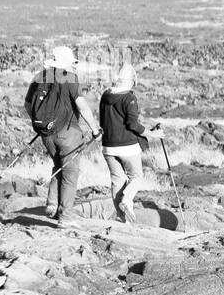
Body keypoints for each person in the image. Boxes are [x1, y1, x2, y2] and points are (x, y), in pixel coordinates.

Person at [24, 45, 101, 225]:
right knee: (70, 172)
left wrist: (42, 124)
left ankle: (52, 203)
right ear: (67, 62)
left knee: (58, 165)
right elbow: (81, 106)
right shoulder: (70, 78)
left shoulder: (39, 77)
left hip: (46, 134)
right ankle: (65, 216)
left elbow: (28, 106)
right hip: (68, 133)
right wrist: (95, 129)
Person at [99, 63, 163, 223]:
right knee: (136, 176)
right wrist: (152, 134)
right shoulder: (129, 98)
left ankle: (122, 219)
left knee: (117, 180)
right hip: (127, 147)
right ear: (131, 80)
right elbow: (132, 124)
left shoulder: (105, 96)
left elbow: (103, 121)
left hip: (108, 147)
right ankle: (127, 201)